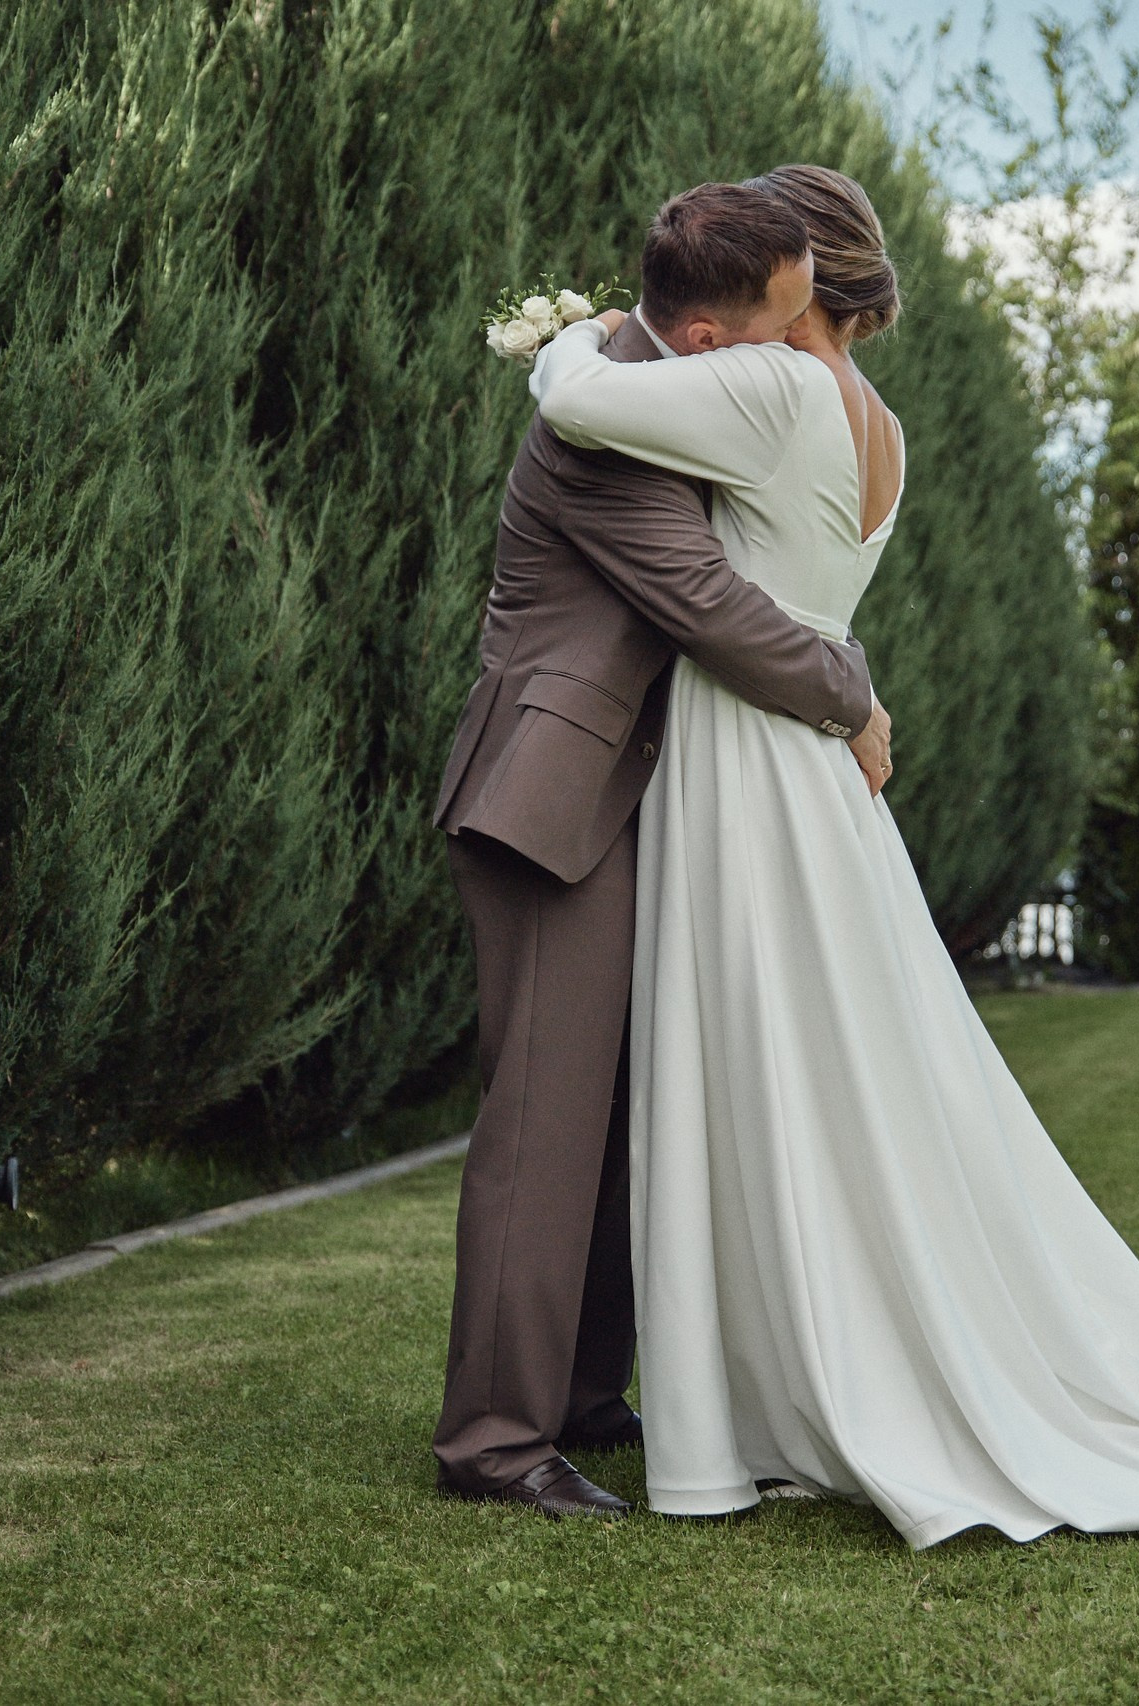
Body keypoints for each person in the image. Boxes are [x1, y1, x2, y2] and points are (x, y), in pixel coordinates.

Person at [527, 163, 1139, 1548]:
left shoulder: (773, 391)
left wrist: (557, 330)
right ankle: (792, 1382)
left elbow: (581, 399)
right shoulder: (881, 425)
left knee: (746, 1069)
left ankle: (752, 1414)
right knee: (826, 1081)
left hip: (741, 761)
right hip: (818, 775)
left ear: (803, 285)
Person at [427, 181, 895, 1517]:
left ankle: (582, 1393)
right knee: (543, 1129)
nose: (790, 355)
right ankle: (496, 1444)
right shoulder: (607, 438)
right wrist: (852, 692)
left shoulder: (651, 386)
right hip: (551, 798)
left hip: (634, 794)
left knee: (634, 1115)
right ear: (709, 339)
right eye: (778, 330)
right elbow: (706, 602)